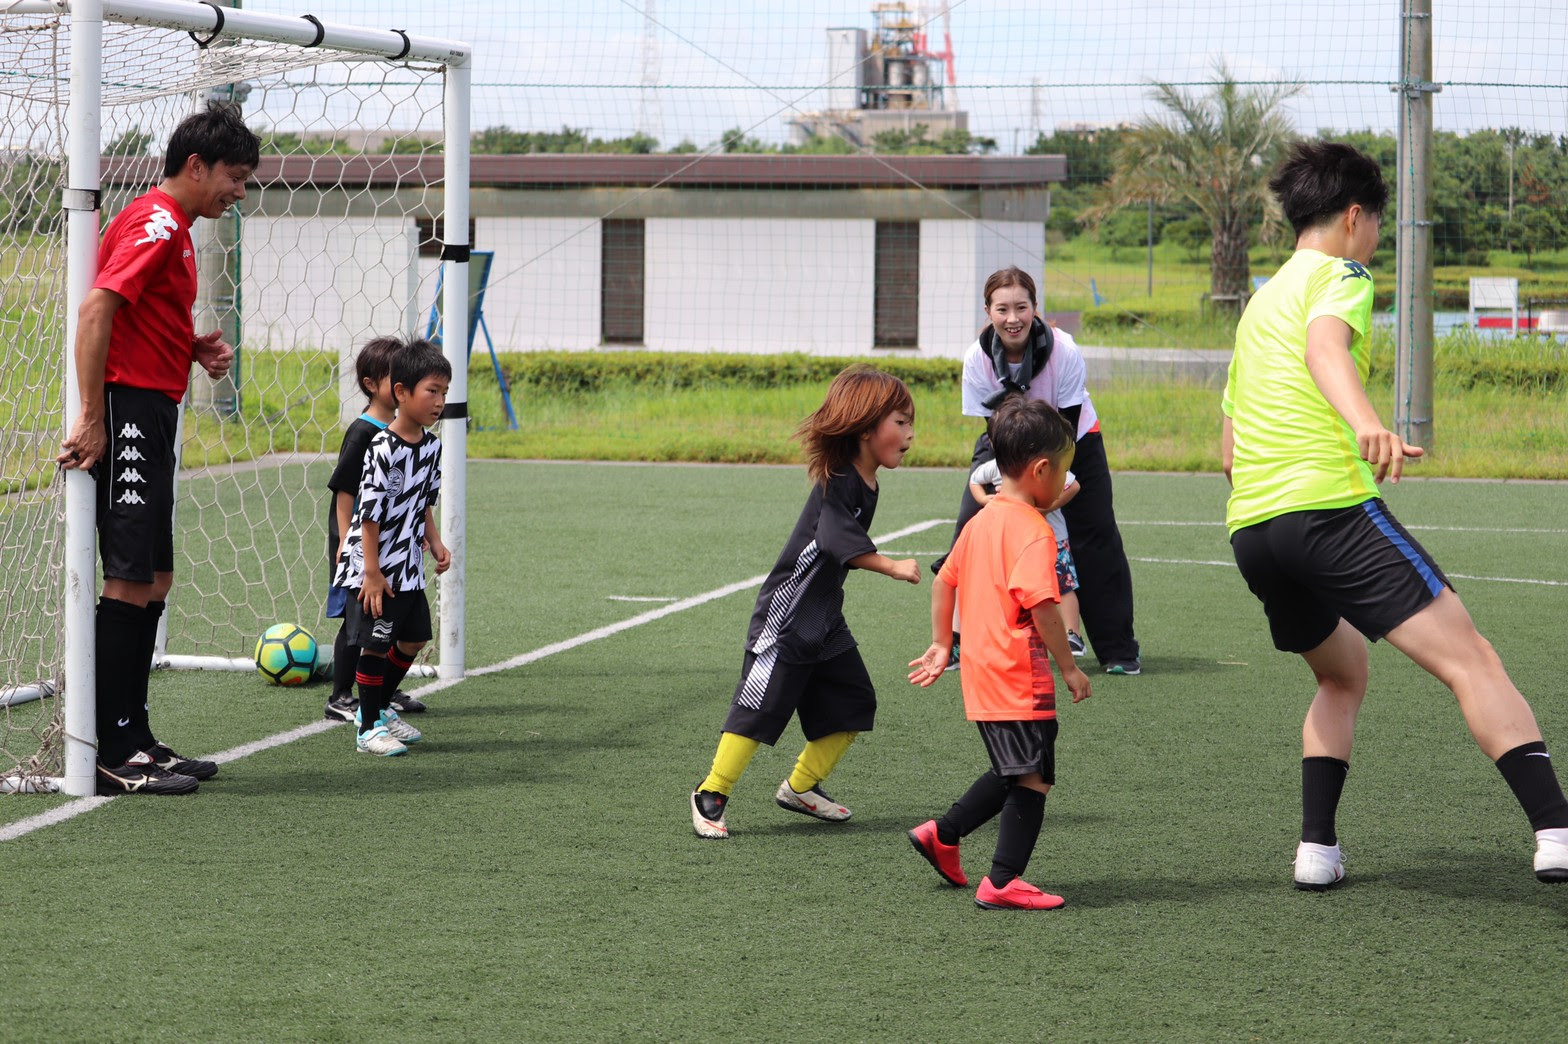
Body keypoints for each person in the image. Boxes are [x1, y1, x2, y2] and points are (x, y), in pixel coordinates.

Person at [1223, 139, 1568, 888]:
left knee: (1342, 675)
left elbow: (1228, 443)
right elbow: (1326, 351)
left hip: (1253, 531)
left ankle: (1316, 852)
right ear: (1353, 216)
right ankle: (1557, 829)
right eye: (1376, 223)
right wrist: (1365, 421)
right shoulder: (1342, 273)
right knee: (1471, 659)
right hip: (1327, 512)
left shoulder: (1259, 304)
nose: (1376, 238)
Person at [57, 103, 259, 795]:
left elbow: (140, 311)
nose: (239, 191)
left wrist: (189, 344)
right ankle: (106, 748)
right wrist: (91, 417)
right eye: (234, 176)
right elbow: (97, 308)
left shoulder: (176, 227)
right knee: (128, 577)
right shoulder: (155, 220)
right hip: (128, 411)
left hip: (153, 407)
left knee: (156, 580)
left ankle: (134, 735)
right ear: (196, 166)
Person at [690, 364, 921, 839]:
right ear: (865, 427)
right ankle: (711, 792)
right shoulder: (839, 479)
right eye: (901, 422)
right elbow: (837, 540)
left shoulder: (867, 479)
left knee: (854, 703)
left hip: (823, 616)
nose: (910, 434)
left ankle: (801, 787)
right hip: (789, 614)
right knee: (761, 705)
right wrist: (892, 565)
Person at [907, 397, 1092, 910]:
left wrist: (945, 643)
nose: (1065, 482)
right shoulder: (1033, 531)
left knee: (1016, 769)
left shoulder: (980, 521)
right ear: (1039, 470)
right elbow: (1043, 607)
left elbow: (944, 582)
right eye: (1063, 471)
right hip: (1018, 674)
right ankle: (1003, 881)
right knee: (1034, 778)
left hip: (983, 671)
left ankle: (942, 835)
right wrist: (1071, 667)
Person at [940, 266, 1141, 675]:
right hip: (1007, 443)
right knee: (970, 528)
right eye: (1002, 308)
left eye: (1021, 307)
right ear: (988, 311)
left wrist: (1051, 497)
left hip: (1071, 442)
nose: (1012, 318)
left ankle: (1118, 650)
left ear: (1035, 309)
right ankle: (957, 643)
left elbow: (1063, 431)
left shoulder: (1064, 350)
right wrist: (997, 496)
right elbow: (992, 429)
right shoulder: (976, 358)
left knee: (1095, 533)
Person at [332, 339, 453, 756]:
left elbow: (424, 503)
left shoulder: (432, 446)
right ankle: (367, 729)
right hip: (375, 566)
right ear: (401, 393)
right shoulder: (382, 448)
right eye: (431, 391)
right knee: (375, 644)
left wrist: (435, 542)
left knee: (415, 637)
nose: (439, 401)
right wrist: (370, 571)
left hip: (407, 566)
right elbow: (368, 515)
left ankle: (380, 707)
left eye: (444, 393)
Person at [323, 336, 426, 723]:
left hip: (393, 546)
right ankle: (340, 695)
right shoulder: (364, 432)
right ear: (373, 385)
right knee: (359, 619)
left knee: (392, 617)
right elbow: (345, 490)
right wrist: (347, 539)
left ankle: (384, 689)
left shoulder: (405, 432)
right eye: (394, 376)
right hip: (359, 540)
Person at [969, 454, 1085, 657]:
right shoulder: (998, 466)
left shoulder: (1042, 465)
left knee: (1064, 586)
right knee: (1017, 590)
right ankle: (1012, 636)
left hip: (1053, 539)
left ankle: (1073, 635)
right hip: (1017, 542)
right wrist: (983, 499)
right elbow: (975, 480)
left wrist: (1046, 507)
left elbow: (1073, 485)